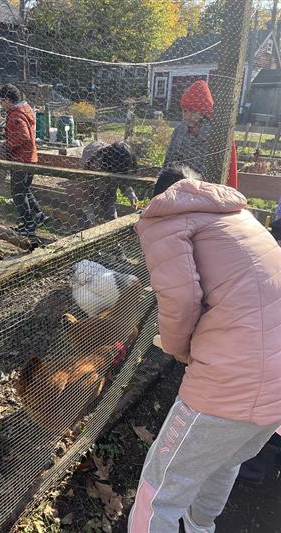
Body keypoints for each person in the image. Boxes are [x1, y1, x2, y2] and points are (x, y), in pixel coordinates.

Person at [129, 165, 281, 533]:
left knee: (158, 489)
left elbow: (179, 302)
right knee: (224, 459)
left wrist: (178, 351)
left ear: (160, 197)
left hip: (233, 377)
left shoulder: (165, 221)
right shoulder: (236, 214)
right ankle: (201, 527)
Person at [163, 79, 238, 189]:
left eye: (193, 112)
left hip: (207, 186)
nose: (188, 116)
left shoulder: (216, 133)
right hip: (178, 184)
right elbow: (169, 159)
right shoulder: (179, 130)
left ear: (204, 112)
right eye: (185, 111)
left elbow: (223, 168)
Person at [0, 84, 48, 235]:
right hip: (30, 156)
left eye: (1, 101)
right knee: (24, 189)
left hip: (21, 159)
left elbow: (24, 136)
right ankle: (39, 215)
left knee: (17, 193)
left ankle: (29, 225)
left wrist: (7, 145)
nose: (1, 104)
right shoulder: (26, 109)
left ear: (7, 99)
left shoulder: (15, 114)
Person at [72, 141, 138, 229]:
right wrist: (91, 218)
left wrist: (131, 194)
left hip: (108, 180)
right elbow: (83, 196)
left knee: (109, 204)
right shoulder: (92, 166)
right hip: (90, 185)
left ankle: (112, 227)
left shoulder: (120, 160)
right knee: (86, 218)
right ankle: (83, 232)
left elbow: (122, 180)